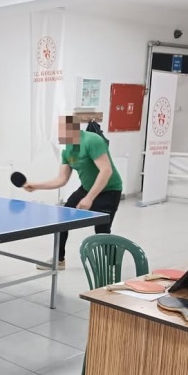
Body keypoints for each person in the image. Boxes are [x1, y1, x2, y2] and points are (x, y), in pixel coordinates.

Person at [25, 115, 123, 270]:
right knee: (62, 219)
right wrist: (36, 185)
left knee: (102, 230)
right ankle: (59, 259)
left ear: (73, 129)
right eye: (58, 129)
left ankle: (111, 267)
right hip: (86, 188)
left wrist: (89, 198)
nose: (58, 133)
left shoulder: (93, 141)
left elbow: (106, 170)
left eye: (61, 129)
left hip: (109, 190)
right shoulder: (67, 150)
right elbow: (61, 179)